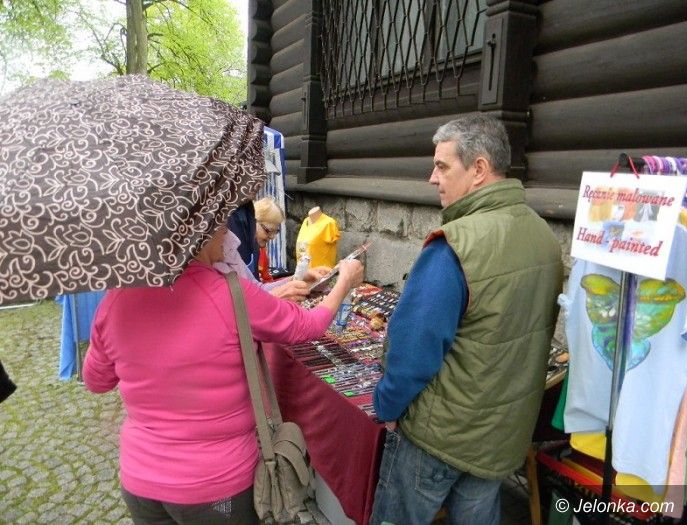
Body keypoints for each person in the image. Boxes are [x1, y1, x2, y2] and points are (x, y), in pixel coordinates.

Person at [82, 224, 364, 525]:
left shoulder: (116, 298)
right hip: (216, 489)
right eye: (220, 225)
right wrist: (343, 283)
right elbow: (307, 326)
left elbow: (96, 381)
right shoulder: (230, 293)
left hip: (141, 482)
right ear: (197, 233)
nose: (228, 234)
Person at [370, 113, 563, 525]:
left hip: (438, 438)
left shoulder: (453, 247)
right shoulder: (544, 237)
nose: (432, 178)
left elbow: (412, 352)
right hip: (499, 436)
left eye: (442, 166)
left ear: (478, 169)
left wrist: (386, 404)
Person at [216, 198, 327, 303]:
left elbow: (257, 287)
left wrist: (297, 278)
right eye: (268, 231)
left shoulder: (239, 251)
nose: (272, 237)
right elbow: (235, 304)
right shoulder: (228, 253)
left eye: (276, 232)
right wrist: (275, 295)